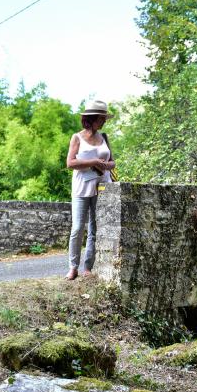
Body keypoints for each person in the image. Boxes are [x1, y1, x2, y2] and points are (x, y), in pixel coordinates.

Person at [65, 100, 115, 281]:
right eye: (102, 118)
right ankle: (73, 267)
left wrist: (104, 165)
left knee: (95, 228)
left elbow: (113, 162)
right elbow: (70, 163)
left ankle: (88, 267)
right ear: (92, 119)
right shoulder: (77, 138)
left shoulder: (105, 138)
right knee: (77, 228)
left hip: (101, 187)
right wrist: (93, 162)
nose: (104, 121)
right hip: (81, 187)